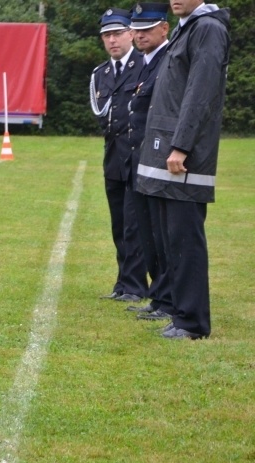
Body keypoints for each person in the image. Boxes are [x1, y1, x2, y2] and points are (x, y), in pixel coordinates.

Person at [135, 0, 230, 340]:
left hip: (183, 154)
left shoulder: (208, 28)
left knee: (185, 239)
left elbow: (200, 93)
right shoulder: (188, 27)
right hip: (166, 148)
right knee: (168, 237)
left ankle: (192, 322)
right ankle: (178, 312)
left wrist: (182, 145)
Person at [89, 8, 147, 303]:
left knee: (134, 222)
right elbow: (102, 115)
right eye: (107, 35)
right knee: (118, 222)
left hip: (137, 154)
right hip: (113, 155)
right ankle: (124, 282)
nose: (112, 40)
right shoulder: (101, 74)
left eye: (117, 34)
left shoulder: (144, 65)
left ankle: (137, 285)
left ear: (131, 34)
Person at [126, 3, 174, 321]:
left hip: (158, 159)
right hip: (139, 160)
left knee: (161, 234)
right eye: (137, 29)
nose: (140, 34)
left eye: (147, 28)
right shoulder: (146, 63)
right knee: (147, 233)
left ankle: (168, 299)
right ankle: (158, 296)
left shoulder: (168, 61)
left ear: (164, 28)